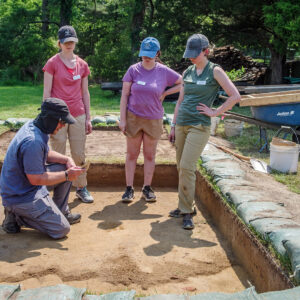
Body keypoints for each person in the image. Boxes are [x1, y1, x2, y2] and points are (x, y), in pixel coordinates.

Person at [168, 34, 241, 230]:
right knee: (181, 167)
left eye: (195, 54)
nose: (191, 57)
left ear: (205, 51)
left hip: (199, 125)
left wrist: (215, 112)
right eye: (189, 54)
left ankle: (186, 212)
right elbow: (180, 101)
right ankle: (186, 205)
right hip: (182, 123)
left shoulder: (215, 71)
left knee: (187, 166)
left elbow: (235, 96)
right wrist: (173, 125)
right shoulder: (188, 72)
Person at [0, 98, 86, 239]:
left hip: (22, 186)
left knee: (65, 166)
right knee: (61, 229)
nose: (63, 126)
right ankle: (16, 216)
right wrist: (66, 175)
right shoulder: (33, 141)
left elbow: (45, 153)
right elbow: (36, 179)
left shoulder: (37, 126)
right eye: (62, 122)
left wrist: (67, 159)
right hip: (21, 196)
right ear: (51, 119)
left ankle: (60, 212)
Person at [119, 37, 182, 203]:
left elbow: (183, 83)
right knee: (131, 154)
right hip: (133, 117)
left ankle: (147, 188)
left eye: (150, 55)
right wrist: (123, 119)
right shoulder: (133, 70)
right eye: (144, 54)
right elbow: (124, 95)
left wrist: (166, 93)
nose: (146, 58)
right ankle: (128, 188)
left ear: (157, 53)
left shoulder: (163, 71)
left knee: (149, 155)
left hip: (153, 119)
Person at [43, 25, 94, 204]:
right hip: (58, 117)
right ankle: (58, 191)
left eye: (72, 41)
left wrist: (88, 117)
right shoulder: (52, 63)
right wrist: (47, 118)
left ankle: (81, 187)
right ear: (59, 43)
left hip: (78, 114)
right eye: (66, 42)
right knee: (58, 153)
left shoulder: (82, 65)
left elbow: (85, 93)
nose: (69, 44)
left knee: (79, 154)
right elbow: (46, 93)